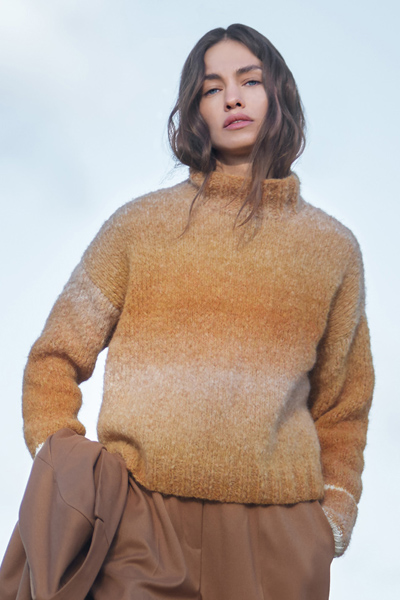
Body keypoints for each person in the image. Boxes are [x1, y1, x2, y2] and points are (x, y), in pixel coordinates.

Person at [11, 23, 376, 600]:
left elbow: (343, 407)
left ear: (278, 94)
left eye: (249, 80)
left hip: (277, 540)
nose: (232, 98)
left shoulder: (332, 249)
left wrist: (330, 520)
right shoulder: (138, 227)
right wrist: (68, 468)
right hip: (140, 524)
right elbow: (55, 356)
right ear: (195, 110)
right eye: (212, 88)